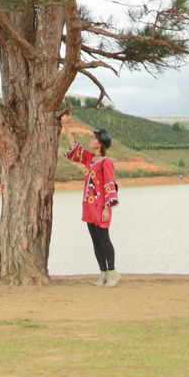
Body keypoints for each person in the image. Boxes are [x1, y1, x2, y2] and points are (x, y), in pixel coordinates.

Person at [62, 115, 120, 286]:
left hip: (101, 207)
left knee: (104, 238)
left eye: (95, 138)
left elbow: (110, 185)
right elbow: (74, 146)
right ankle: (102, 272)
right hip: (89, 206)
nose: (92, 139)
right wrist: (65, 126)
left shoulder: (106, 163)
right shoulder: (89, 159)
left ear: (100, 143)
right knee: (95, 240)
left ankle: (112, 272)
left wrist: (106, 208)